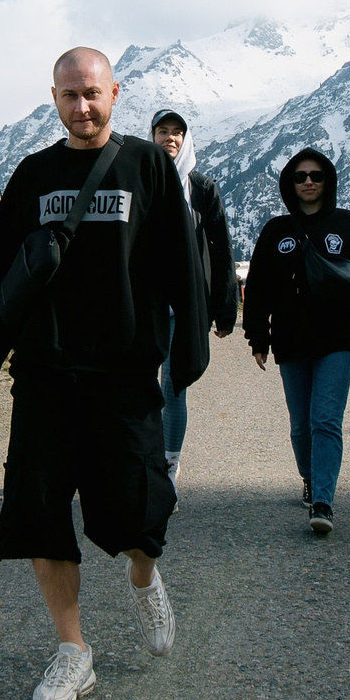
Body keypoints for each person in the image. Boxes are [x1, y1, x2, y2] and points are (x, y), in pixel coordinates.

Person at [0, 48, 207, 700]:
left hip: (125, 375)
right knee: (41, 516)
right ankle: (75, 652)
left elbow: (182, 265)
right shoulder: (34, 175)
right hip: (46, 375)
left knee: (137, 513)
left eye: (93, 93)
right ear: (54, 97)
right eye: (70, 95)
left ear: (115, 93)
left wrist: (186, 353)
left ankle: (144, 575)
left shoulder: (148, 166)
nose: (82, 106)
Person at [240, 148, 350, 537]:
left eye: (316, 175)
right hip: (290, 338)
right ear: (289, 183)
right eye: (300, 176)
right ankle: (310, 479)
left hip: (339, 337)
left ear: (327, 180)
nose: (308, 181)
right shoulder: (276, 231)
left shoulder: (346, 224)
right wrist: (257, 337)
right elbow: (258, 288)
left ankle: (323, 501)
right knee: (301, 427)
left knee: (325, 420)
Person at [148, 108, 237, 481]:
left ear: (186, 139)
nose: (170, 138)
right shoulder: (140, 180)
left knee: (175, 387)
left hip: (185, 307)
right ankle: (142, 463)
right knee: (137, 389)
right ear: (151, 136)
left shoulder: (200, 188)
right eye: (163, 131)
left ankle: (169, 465)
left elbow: (220, 250)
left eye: (177, 132)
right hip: (144, 305)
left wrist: (225, 310)